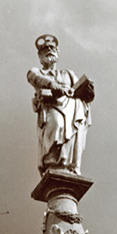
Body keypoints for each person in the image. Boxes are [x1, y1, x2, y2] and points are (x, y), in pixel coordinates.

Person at [27, 34, 94, 175]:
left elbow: (77, 89)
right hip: (52, 107)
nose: (49, 50)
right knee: (56, 125)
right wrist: (56, 86)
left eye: (52, 48)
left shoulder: (68, 73)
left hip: (72, 110)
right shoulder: (36, 71)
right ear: (40, 57)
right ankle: (53, 161)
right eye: (45, 49)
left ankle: (70, 164)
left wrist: (88, 92)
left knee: (72, 134)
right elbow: (35, 78)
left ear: (57, 52)